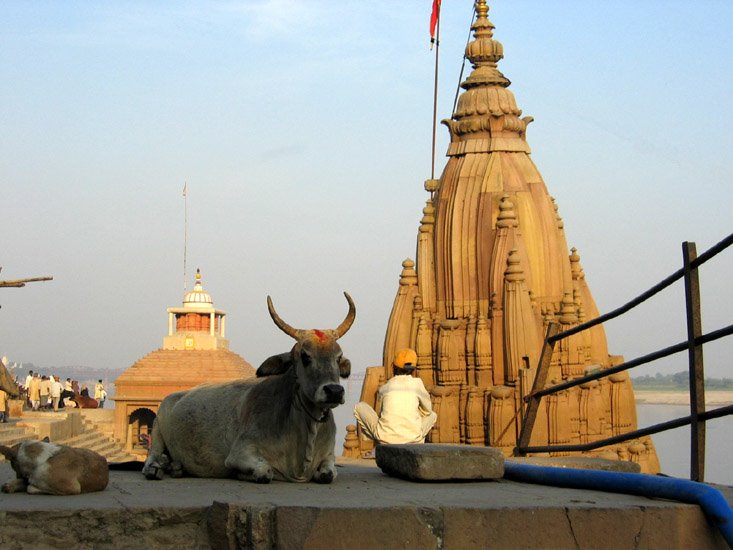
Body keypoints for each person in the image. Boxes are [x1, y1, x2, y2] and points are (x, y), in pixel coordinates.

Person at [353, 348, 437, 445]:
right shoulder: (417, 384)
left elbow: (381, 413)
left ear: (393, 368)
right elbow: (428, 411)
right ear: (414, 370)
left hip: (386, 439)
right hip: (413, 438)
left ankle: (373, 445)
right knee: (432, 415)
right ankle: (416, 442)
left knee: (359, 407)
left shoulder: (386, 387)